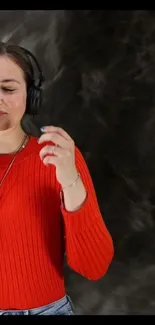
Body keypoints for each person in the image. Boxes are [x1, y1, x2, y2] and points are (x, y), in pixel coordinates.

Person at [0, 41, 114, 316]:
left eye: (8, 88)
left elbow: (94, 266)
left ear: (31, 96)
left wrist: (70, 179)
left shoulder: (57, 157)